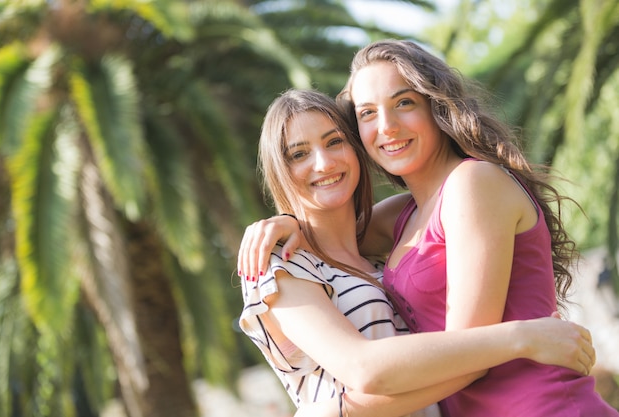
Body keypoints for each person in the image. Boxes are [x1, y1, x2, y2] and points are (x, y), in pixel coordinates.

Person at [238, 88, 596, 417]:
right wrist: (521, 338)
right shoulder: (279, 263)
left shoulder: (382, 246)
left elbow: (446, 203)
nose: (324, 163)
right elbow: (364, 369)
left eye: (334, 142)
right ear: (279, 170)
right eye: (299, 154)